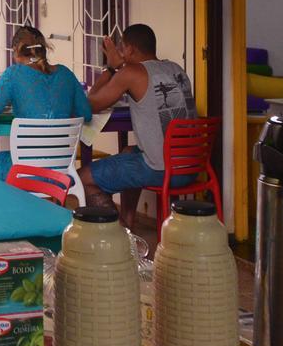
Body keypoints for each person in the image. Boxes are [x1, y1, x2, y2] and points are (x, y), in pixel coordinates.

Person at [79, 23, 196, 230]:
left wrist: (111, 68)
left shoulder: (132, 72)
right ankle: (128, 223)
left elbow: (92, 103)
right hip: (191, 166)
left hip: (160, 169)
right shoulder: (176, 69)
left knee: (83, 178)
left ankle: (122, 236)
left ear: (130, 49)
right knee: (128, 151)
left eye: (122, 48)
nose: (121, 52)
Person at [0, 26, 92, 180]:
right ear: (43, 50)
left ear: (16, 52)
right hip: (62, 171)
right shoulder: (65, 74)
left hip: (25, 170)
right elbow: (86, 114)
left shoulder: (14, 74)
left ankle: (6, 204)